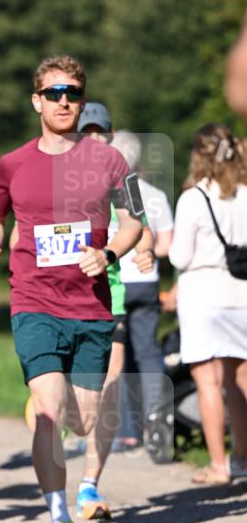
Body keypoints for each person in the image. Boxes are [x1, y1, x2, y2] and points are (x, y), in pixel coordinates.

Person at [0, 57, 143, 523]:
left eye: (71, 91)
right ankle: (60, 519)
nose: (63, 100)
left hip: (91, 308)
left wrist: (109, 252)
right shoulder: (11, 164)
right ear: (37, 101)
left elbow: (135, 219)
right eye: (53, 92)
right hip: (33, 301)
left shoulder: (112, 162)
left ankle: (57, 427)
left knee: (85, 419)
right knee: (49, 413)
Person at [74, 104, 154, 519]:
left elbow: (140, 224)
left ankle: (89, 485)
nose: (93, 138)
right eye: (85, 131)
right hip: (59, 298)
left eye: (99, 131)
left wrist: (146, 250)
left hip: (111, 296)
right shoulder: (56, 173)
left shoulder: (127, 177)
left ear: (110, 134)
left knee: (109, 386)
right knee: (74, 400)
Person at [168, 124, 247, 483]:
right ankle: (242, 459)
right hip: (241, 291)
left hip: (203, 294)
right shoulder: (245, 194)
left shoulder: (193, 198)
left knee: (208, 382)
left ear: (198, 154)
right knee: (239, 380)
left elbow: (180, 256)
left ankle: (219, 465)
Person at [111, 130, 174, 444]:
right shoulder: (154, 195)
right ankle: (157, 421)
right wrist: (147, 251)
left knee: (119, 356)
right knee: (148, 353)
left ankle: (128, 431)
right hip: (146, 281)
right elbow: (166, 246)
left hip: (116, 282)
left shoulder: (109, 192)